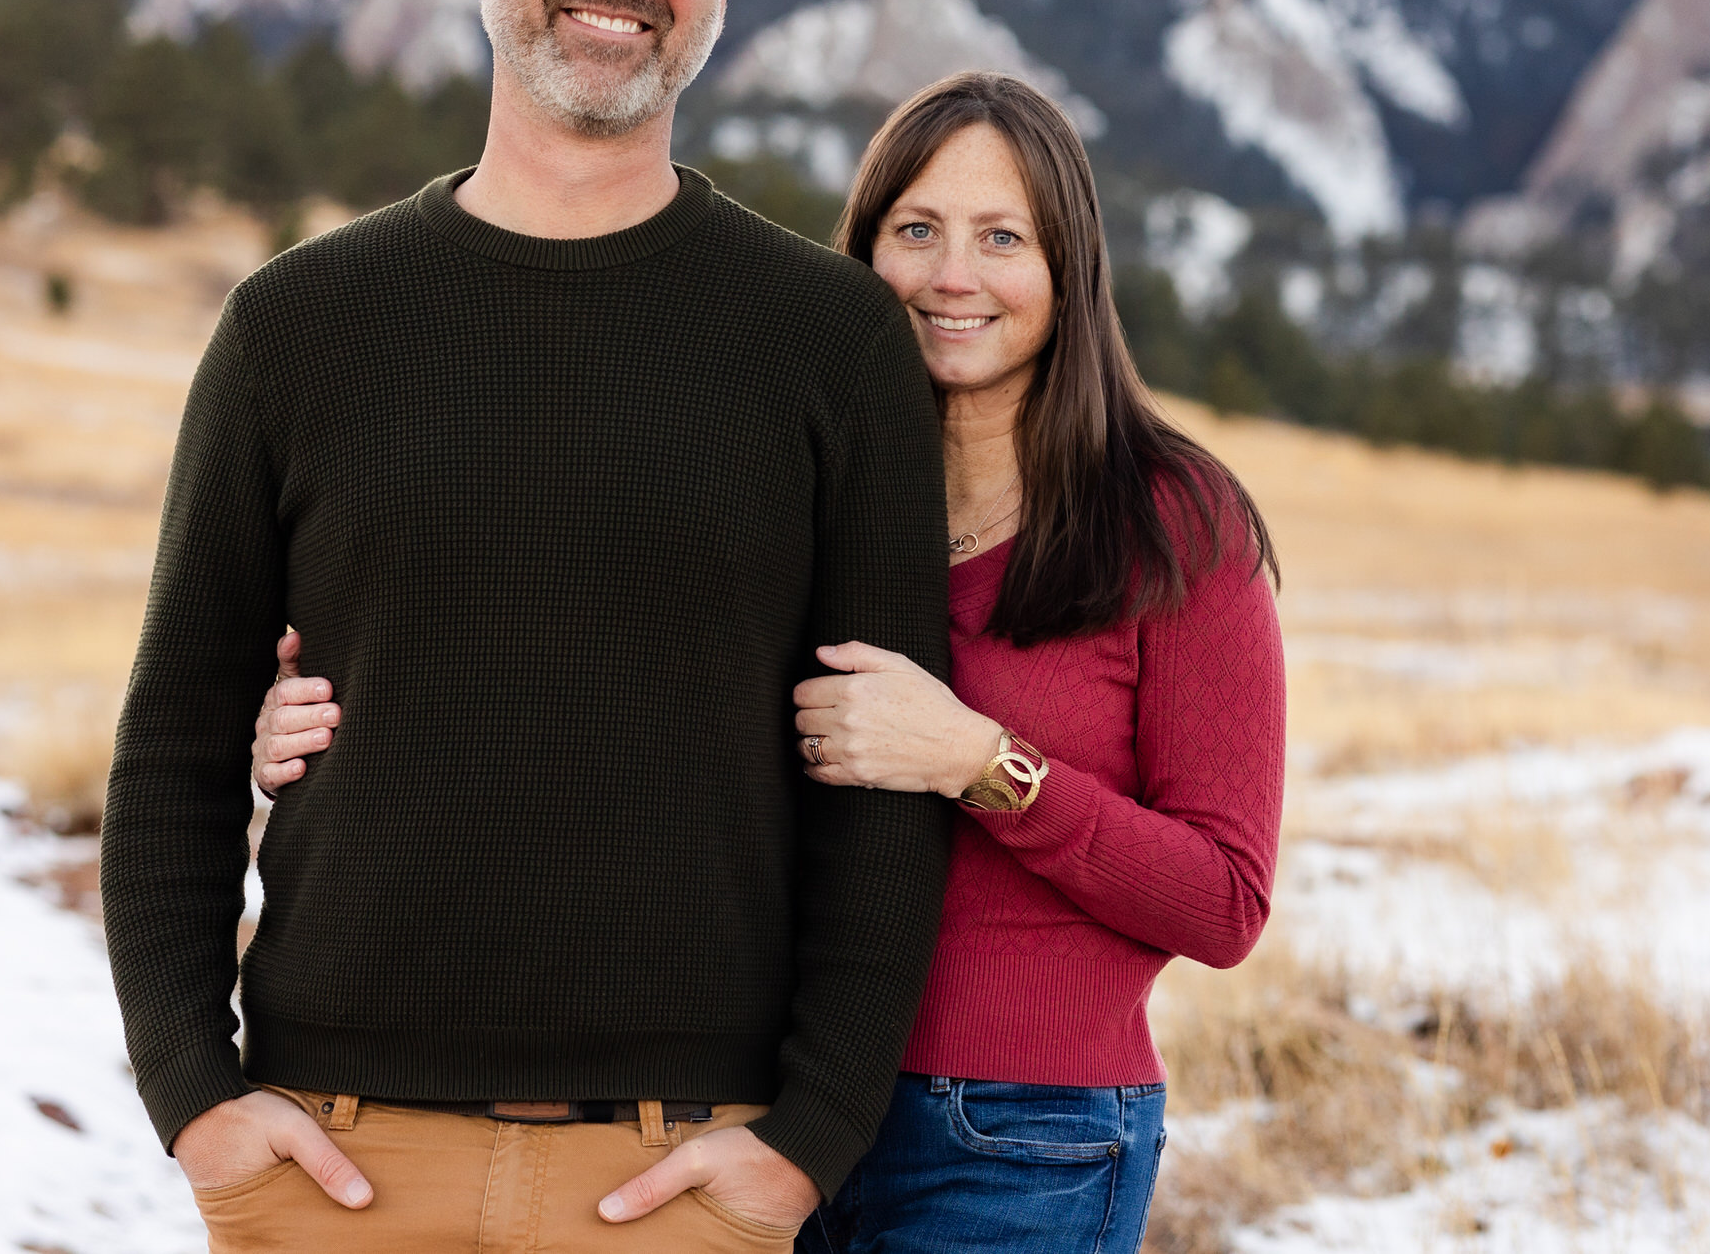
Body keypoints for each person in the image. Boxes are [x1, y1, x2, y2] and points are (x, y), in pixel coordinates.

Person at [100, 0, 958, 1254]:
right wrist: (195, 1092)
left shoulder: (828, 340)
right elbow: (176, 737)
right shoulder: (299, 326)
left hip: (681, 1172)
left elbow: (880, 780)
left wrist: (808, 1142)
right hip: (335, 1168)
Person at [254, 70, 1290, 1253]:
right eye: (917, 230)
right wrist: (336, 718)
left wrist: (981, 760)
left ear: (1069, 268)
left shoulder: (1174, 524)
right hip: (751, 1107)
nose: (955, 274)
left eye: (1003, 237)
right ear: (862, 250)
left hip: (1016, 1133)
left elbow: (1224, 899)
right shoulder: (785, 480)